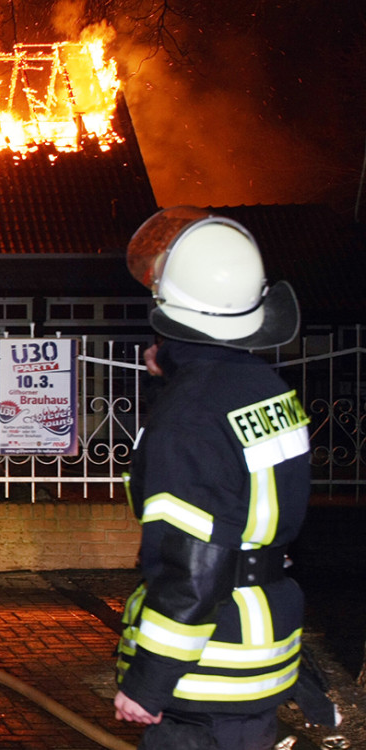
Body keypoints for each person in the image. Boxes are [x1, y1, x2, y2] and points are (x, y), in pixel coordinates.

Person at [113, 207, 326, 749]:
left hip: (205, 676)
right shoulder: (268, 390)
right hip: (262, 649)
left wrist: (148, 683)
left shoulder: (189, 417)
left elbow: (193, 565)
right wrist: (182, 372)